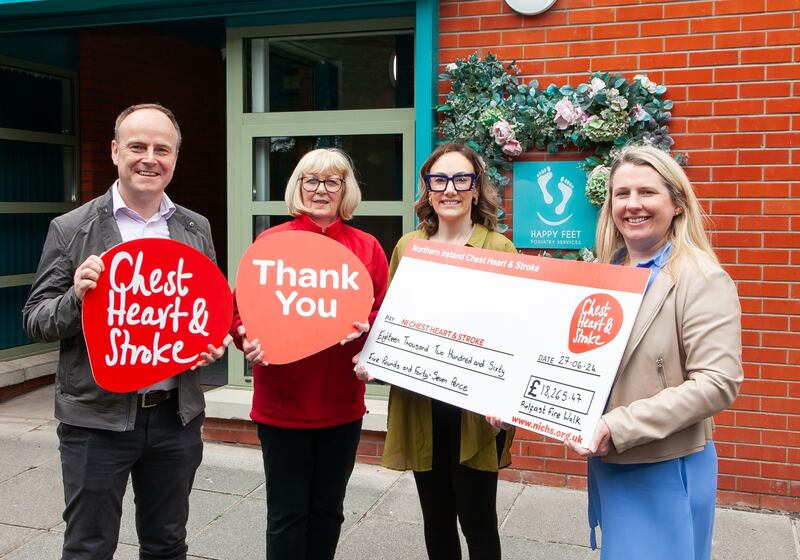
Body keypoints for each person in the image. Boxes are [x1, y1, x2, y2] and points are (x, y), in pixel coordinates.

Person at [23, 103, 229, 559]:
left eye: (162, 148)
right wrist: (78, 298)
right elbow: (36, 318)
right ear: (115, 151)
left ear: (175, 158)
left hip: (176, 417)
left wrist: (211, 343)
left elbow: (203, 313)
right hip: (96, 420)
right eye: (137, 146)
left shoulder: (195, 227)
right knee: (89, 547)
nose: (149, 158)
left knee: (167, 544)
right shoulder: (73, 228)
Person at [566, 145, 743, 560]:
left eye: (647, 192)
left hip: (668, 463)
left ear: (677, 203)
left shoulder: (701, 277)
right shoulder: (609, 274)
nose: (632, 205)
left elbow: (718, 383)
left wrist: (616, 426)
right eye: (621, 194)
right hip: (615, 464)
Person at [229, 148, 389, 560]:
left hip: (341, 408)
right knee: (286, 514)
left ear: (344, 190)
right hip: (281, 405)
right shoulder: (272, 242)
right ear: (298, 188)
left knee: (328, 512)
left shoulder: (367, 247)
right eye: (311, 181)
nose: (321, 190)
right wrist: (244, 337)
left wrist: (370, 329)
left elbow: (384, 315)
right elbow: (237, 311)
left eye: (332, 182)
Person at [360, 142, 516, 560]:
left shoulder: (499, 250)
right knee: (436, 518)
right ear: (427, 189)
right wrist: (376, 357)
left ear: (475, 188)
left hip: (476, 412)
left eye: (461, 179)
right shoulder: (409, 246)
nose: (450, 189)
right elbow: (390, 319)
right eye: (440, 179)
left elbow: (516, 333)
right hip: (420, 403)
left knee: (478, 521)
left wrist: (509, 396)